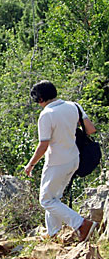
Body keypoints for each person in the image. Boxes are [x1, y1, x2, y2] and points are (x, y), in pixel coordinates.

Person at [24, 80, 97, 240]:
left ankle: (82, 224)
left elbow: (43, 145)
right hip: (74, 159)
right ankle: (53, 233)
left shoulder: (46, 114)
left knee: (46, 200)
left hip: (56, 162)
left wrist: (31, 164)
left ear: (40, 99)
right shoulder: (74, 106)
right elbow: (91, 129)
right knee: (54, 198)